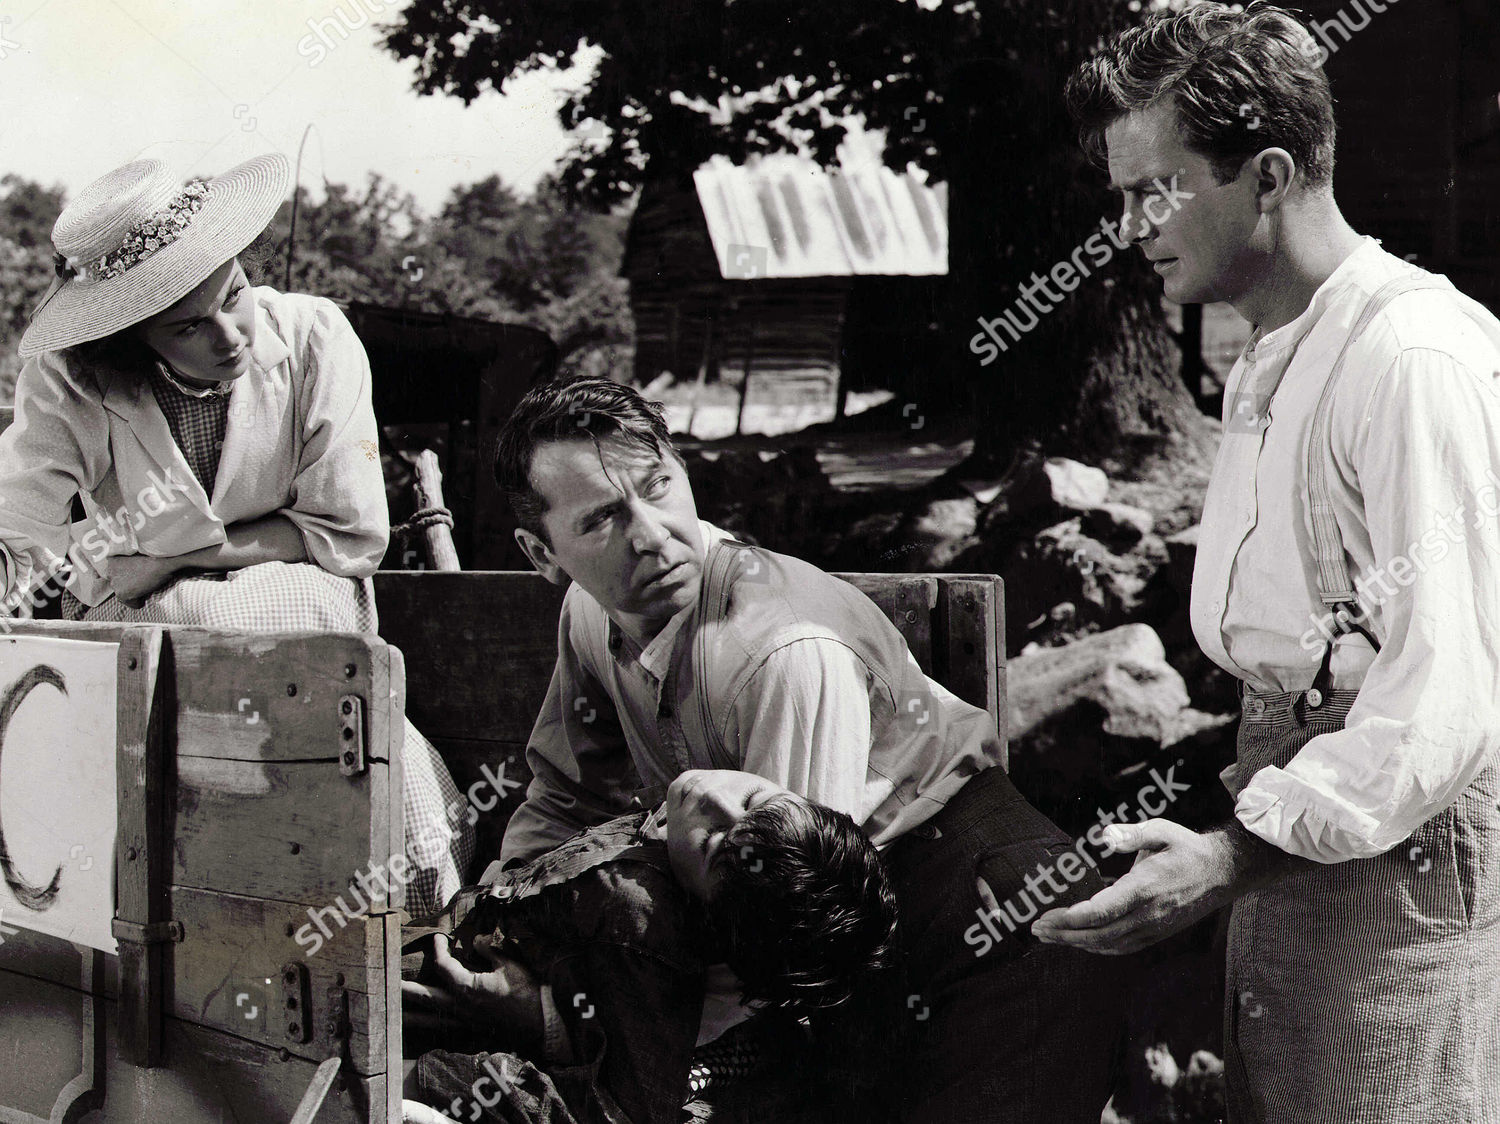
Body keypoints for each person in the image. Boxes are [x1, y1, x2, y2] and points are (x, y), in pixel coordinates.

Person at [1042, 5, 1500, 1122]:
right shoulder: (1266, 351)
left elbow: (1443, 702)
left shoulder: (1410, 360)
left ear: (1270, 174)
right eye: (1119, 196)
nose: (1129, 226)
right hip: (1293, 794)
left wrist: (1225, 854)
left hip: (1402, 834)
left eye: (1157, 188)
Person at [492, 375, 1128, 1123]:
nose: (652, 533)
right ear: (543, 553)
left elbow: (780, 940)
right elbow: (569, 794)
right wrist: (505, 931)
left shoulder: (783, 657)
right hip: (847, 940)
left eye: (659, 486)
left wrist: (560, 1018)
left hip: (992, 933)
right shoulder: (588, 612)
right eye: (603, 518)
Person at [0, 153, 473, 917]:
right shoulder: (73, 381)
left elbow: (346, 535)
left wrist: (175, 557)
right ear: (130, 338)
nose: (228, 337)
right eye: (188, 327)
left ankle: (397, 894)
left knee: (272, 657)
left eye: (236, 295)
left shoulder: (316, 338)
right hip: (141, 635)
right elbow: (17, 531)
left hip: (303, 602)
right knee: (167, 656)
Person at [399, 768, 900, 1124]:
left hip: (416, 1000)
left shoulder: (642, 919)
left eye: (716, 844)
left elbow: (622, 1110)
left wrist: (433, 1081)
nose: (711, 796)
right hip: (432, 945)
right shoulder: (675, 839)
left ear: (703, 913)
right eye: (755, 798)